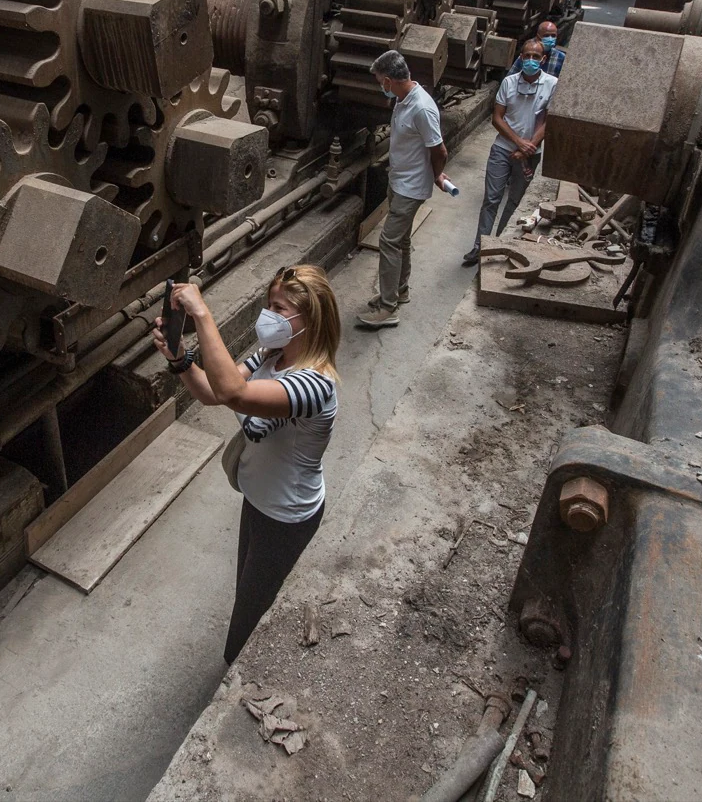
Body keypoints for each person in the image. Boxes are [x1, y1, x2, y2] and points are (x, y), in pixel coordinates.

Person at [151, 266, 341, 664]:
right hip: (257, 500)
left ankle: (236, 678)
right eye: (268, 304)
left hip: (286, 516)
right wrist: (181, 360)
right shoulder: (272, 355)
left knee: (250, 611)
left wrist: (203, 315)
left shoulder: (314, 384)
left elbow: (234, 395)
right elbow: (211, 393)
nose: (268, 314)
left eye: (279, 307)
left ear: (311, 318)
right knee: (249, 588)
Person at [358, 49, 450, 329]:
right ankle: (401, 290)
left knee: (388, 241)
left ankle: (388, 307)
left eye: (379, 81)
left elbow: (440, 150)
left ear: (388, 80)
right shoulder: (403, 98)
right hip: (399, 181)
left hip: (412, 187)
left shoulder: (421, 107)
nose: (379, 86)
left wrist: (436, 175)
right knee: (402, 240)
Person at [463, 38, 555, 266]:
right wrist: (517, 143)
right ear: (521, 57)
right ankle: (479, 247)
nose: (531, 60)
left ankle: (500, 246)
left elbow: (549, 122)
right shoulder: (509, 83)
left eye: (536, 57)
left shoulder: (552, 84)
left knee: (514, 202)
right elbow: (497, 118)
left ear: (543, 60)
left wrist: (527, 148)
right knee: (491, 199)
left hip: (530, 154)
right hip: (502, 149)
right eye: (527, 56)